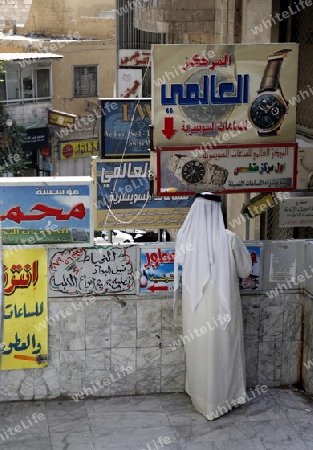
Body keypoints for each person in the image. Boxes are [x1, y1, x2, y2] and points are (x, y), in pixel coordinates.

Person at [173, 192, 252, 420]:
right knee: (221, 353)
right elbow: (245, 270)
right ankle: (223, 400)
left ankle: (200, 397)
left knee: (199, 350)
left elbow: (179, 260)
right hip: (221, 311)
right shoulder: (229, 239)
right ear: (218, 211)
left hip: (195, 311)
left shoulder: (186, 240)